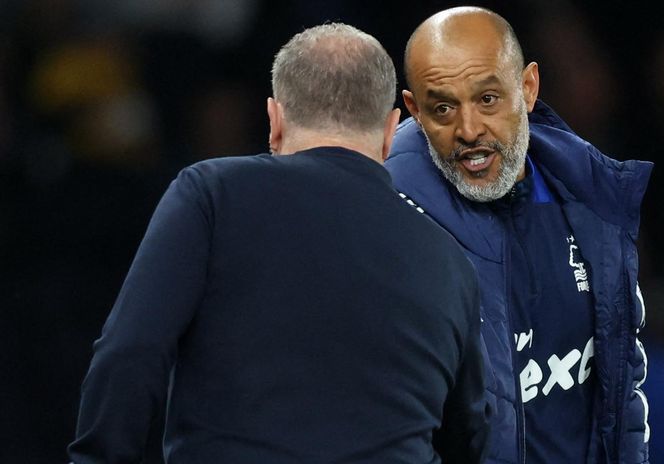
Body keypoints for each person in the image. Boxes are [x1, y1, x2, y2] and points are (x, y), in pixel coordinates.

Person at [68, 23, 489, 464]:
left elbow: (130, 353)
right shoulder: (450, 260)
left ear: (275, 119)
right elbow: (469, 433)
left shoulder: (213, 195)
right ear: (390, 131)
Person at [386, 7, 652, 464]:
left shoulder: (590, 199)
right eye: (443, 108)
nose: (469, 130)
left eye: (487, 99)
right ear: (414, 109)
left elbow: (622, 385)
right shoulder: (390, 223)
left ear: (528, 88)